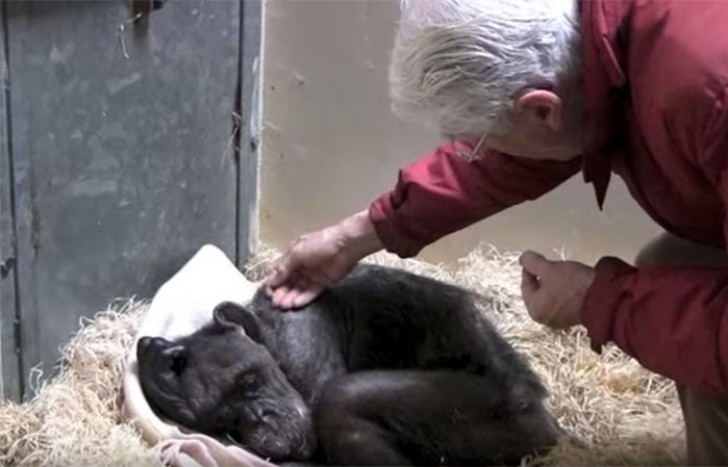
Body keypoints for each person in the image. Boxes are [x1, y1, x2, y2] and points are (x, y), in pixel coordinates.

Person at [264, 0, 728, 464]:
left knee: (699, 341)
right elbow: (500, 163)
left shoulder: (709, 93)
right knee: (671, 266)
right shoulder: (602, 39)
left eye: (481, 136)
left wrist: (599, 299)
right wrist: (360, 234)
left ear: (542, 111)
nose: (475, 150)